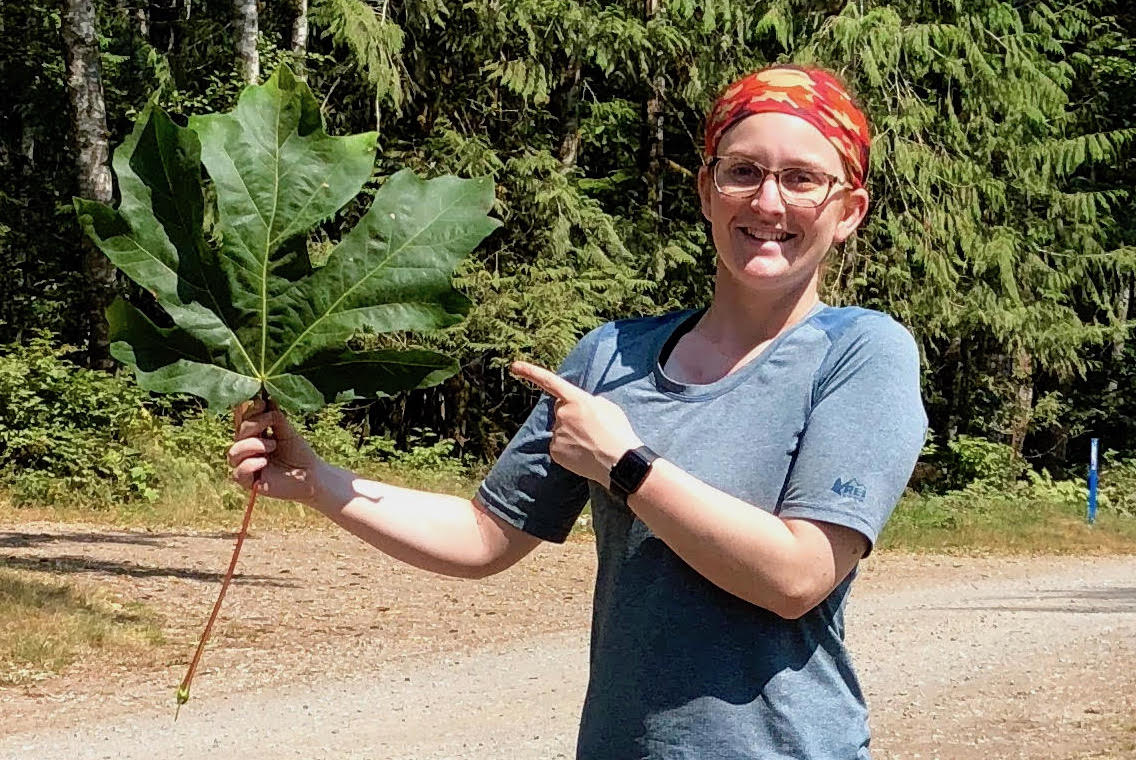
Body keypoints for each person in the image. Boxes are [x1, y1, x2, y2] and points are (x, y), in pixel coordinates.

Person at [229, 63, 926, 759]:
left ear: (848, 213)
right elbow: (483, 537)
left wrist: (627, 466)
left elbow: (798, 578)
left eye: (802, 179)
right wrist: (317, 482)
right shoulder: (610, 357)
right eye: (742, 171)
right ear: (707, 192)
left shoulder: (862, 353)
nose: (768, 202)